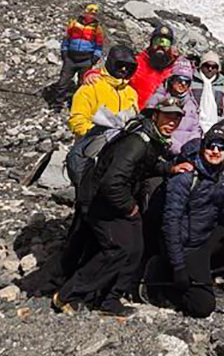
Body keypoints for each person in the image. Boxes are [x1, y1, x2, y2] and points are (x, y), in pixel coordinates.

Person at [53, 96, 184, 317]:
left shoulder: (151, 137)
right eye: (167, 116)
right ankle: (69, 294)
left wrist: (169, 169)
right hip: (101, 201)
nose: (172, 122)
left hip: (112, 199)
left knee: (133, 249)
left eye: (176, 118)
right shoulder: (137, 142)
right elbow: (112, 182)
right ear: (155, 115)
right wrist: (129, 207)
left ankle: (109, 299)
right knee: (119, 249)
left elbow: (145, 166)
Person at [156, 135, 224, 318]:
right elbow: (170, 224)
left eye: (221, 147)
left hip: (205, 239)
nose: (215, 151)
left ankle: (206, 270)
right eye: (211, 146)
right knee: (203, 306)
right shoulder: (185, 178)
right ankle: (165, 281)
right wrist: (178, 266)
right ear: (203, 149)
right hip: (187, 247)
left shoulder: (223, 176)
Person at [68, 45, 139, 137]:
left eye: (129, 67)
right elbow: (77, 121)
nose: (124, 70)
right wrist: (100, 135)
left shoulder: (131, 93)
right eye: (120, 65)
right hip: (94, 142)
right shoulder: (91, 87)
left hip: (123, 142)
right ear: (110, 63)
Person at [52, 3, 104, 110]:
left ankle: (76, 105)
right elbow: (66, 39)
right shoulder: (74, 24)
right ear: (85, 13)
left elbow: (99, 45)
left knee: (82, 84)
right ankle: (57, 104)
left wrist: (94, 58)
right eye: (89, 13)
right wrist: (64, 52)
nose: (91, 16)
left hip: (86, 60)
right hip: (70, 58)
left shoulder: (97, 29)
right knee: (62, 82)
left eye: (93, 14)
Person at [146, 59, 202, 154]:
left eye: (187, 81)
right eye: (180, 80)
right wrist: (174, 147)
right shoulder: (158, 98)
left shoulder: (191, 103)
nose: (183, 84)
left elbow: (195, 129)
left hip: (186, 153)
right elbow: (151, 125)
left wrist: (191, 148)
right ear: (172, 80)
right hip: (163, 150)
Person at [124, 25, 179, 107]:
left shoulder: (174, 70)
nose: (160, 46)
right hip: (130, 111)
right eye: (157, 41)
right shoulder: (136, 63)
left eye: (165, 43)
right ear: (151, 43)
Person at [191, 51, 224, 134]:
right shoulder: (192, 81)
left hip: (216, 124)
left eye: (214, 66)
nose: (210, 69)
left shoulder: (222, 84)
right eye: (207, 66)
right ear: (201, 66)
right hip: (194, 124)